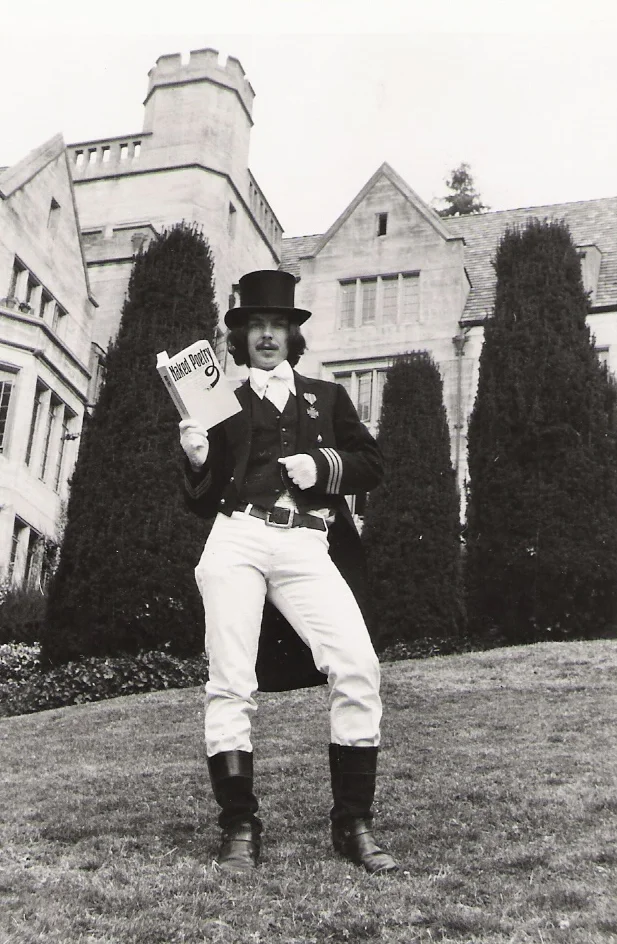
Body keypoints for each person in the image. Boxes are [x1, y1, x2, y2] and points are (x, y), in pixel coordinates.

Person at [180, 269, 398, 876]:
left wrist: (321, 466)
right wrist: (197, 459)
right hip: (237, 539)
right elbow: (202, 499)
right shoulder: (219, 401)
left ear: (293, 336)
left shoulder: (327, 397)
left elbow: (371, 463)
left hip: (306, 543)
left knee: (358, 666)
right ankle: (239, 826)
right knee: (230, 682)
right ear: (241, 337)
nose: (268, 336)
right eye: (256, 326)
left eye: (278, 325)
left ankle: (353, 825)